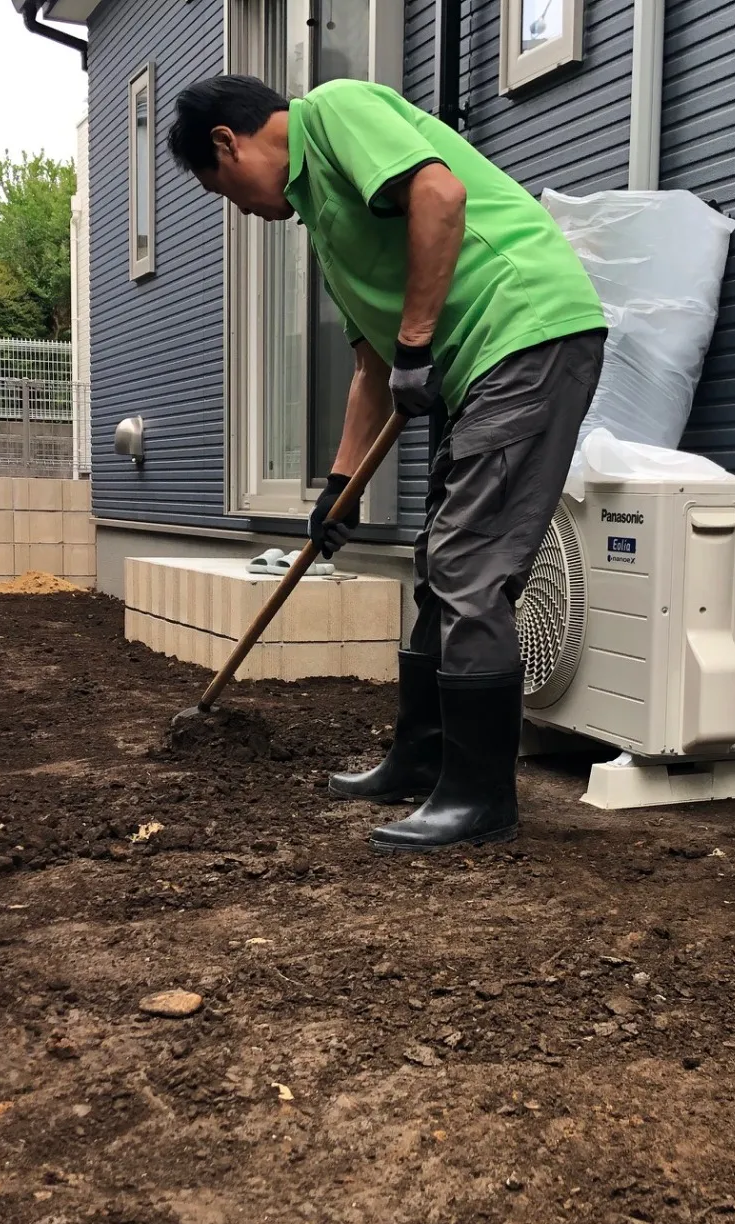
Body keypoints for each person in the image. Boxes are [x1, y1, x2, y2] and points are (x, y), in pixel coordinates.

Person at [166, 75, 606, 853]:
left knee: (472, 565)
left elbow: (439, 195)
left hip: (528, 331)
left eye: (226, 190)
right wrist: (338, 491)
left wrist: (415, 342)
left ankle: (480, 799)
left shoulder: (335, 112)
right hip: (480, 364)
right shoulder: (326, 225)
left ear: (227, 143)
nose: (242, 210)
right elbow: (374, 372)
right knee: (440, 560)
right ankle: (424, 757)